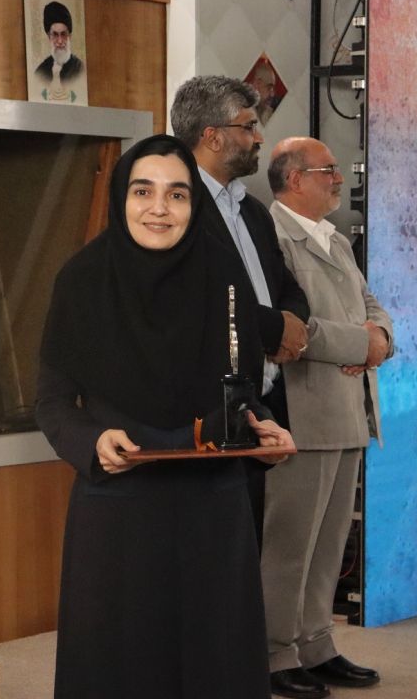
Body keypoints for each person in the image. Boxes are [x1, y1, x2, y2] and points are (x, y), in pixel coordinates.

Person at [36, 134, 294, 699]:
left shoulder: (224, 274)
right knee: (121, 666)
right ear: (121, 197)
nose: (159, 208)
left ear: (193, 204)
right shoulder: (81, 279)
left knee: (215, 663)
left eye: (177, 194)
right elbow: (52, 402)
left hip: (212, 506)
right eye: (143, 191)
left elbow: (242, 390)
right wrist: (91, 442)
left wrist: (261, 427)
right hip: (119, 507)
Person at [261, 137, 394, 699]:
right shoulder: (271, 237)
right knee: (291, 544)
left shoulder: (334, 238)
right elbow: (290, 328)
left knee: (329, 542)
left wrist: (379, 336)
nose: (339, 179)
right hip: (304, 412)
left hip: (348, 413)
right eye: (328, 170)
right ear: (294, 179)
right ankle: (275, 653)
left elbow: (371, 306)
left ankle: (316, 645)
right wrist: (360, 344)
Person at [170, 75, 310, 543]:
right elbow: (202, 302)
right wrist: (272, 331)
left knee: (248, 557)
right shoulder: (178, 210)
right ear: (212, 137)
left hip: (259, 409)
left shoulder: (251, 210)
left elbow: (288, 288)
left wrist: (291, 323)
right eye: (248, 127)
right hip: (207, 417)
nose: (259, 138)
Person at [34, 1, 84, 100]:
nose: (60, 41)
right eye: (55, 35)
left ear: (70, 36)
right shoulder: (41, 72)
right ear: (49, 37)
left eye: (63, 34)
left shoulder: (80, 69)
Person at [248, 59, 278, 125]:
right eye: (269, 88)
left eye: (273, 89)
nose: (272, 94)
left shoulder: (270, 114)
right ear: (257, 84)